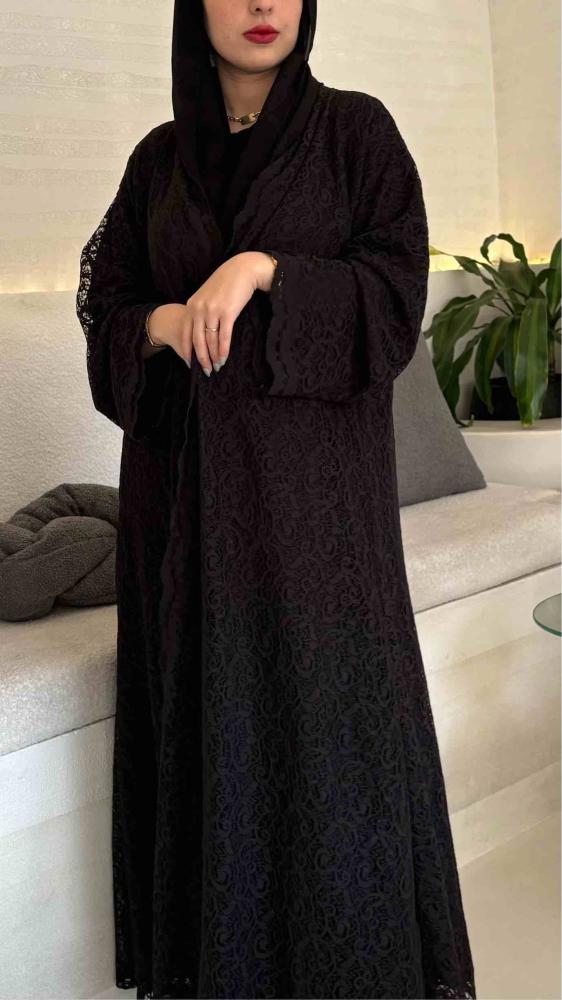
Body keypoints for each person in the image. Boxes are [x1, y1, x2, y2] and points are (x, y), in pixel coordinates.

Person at [75, 1, 477, 998]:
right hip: (182, 510)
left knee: (330, 735)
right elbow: (109, 309)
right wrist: (165, 321)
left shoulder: (356, 133)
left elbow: (393, 301)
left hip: (316, 510)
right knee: (205, 728)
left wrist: (262, 271)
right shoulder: (158, 162)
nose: (262, 5)